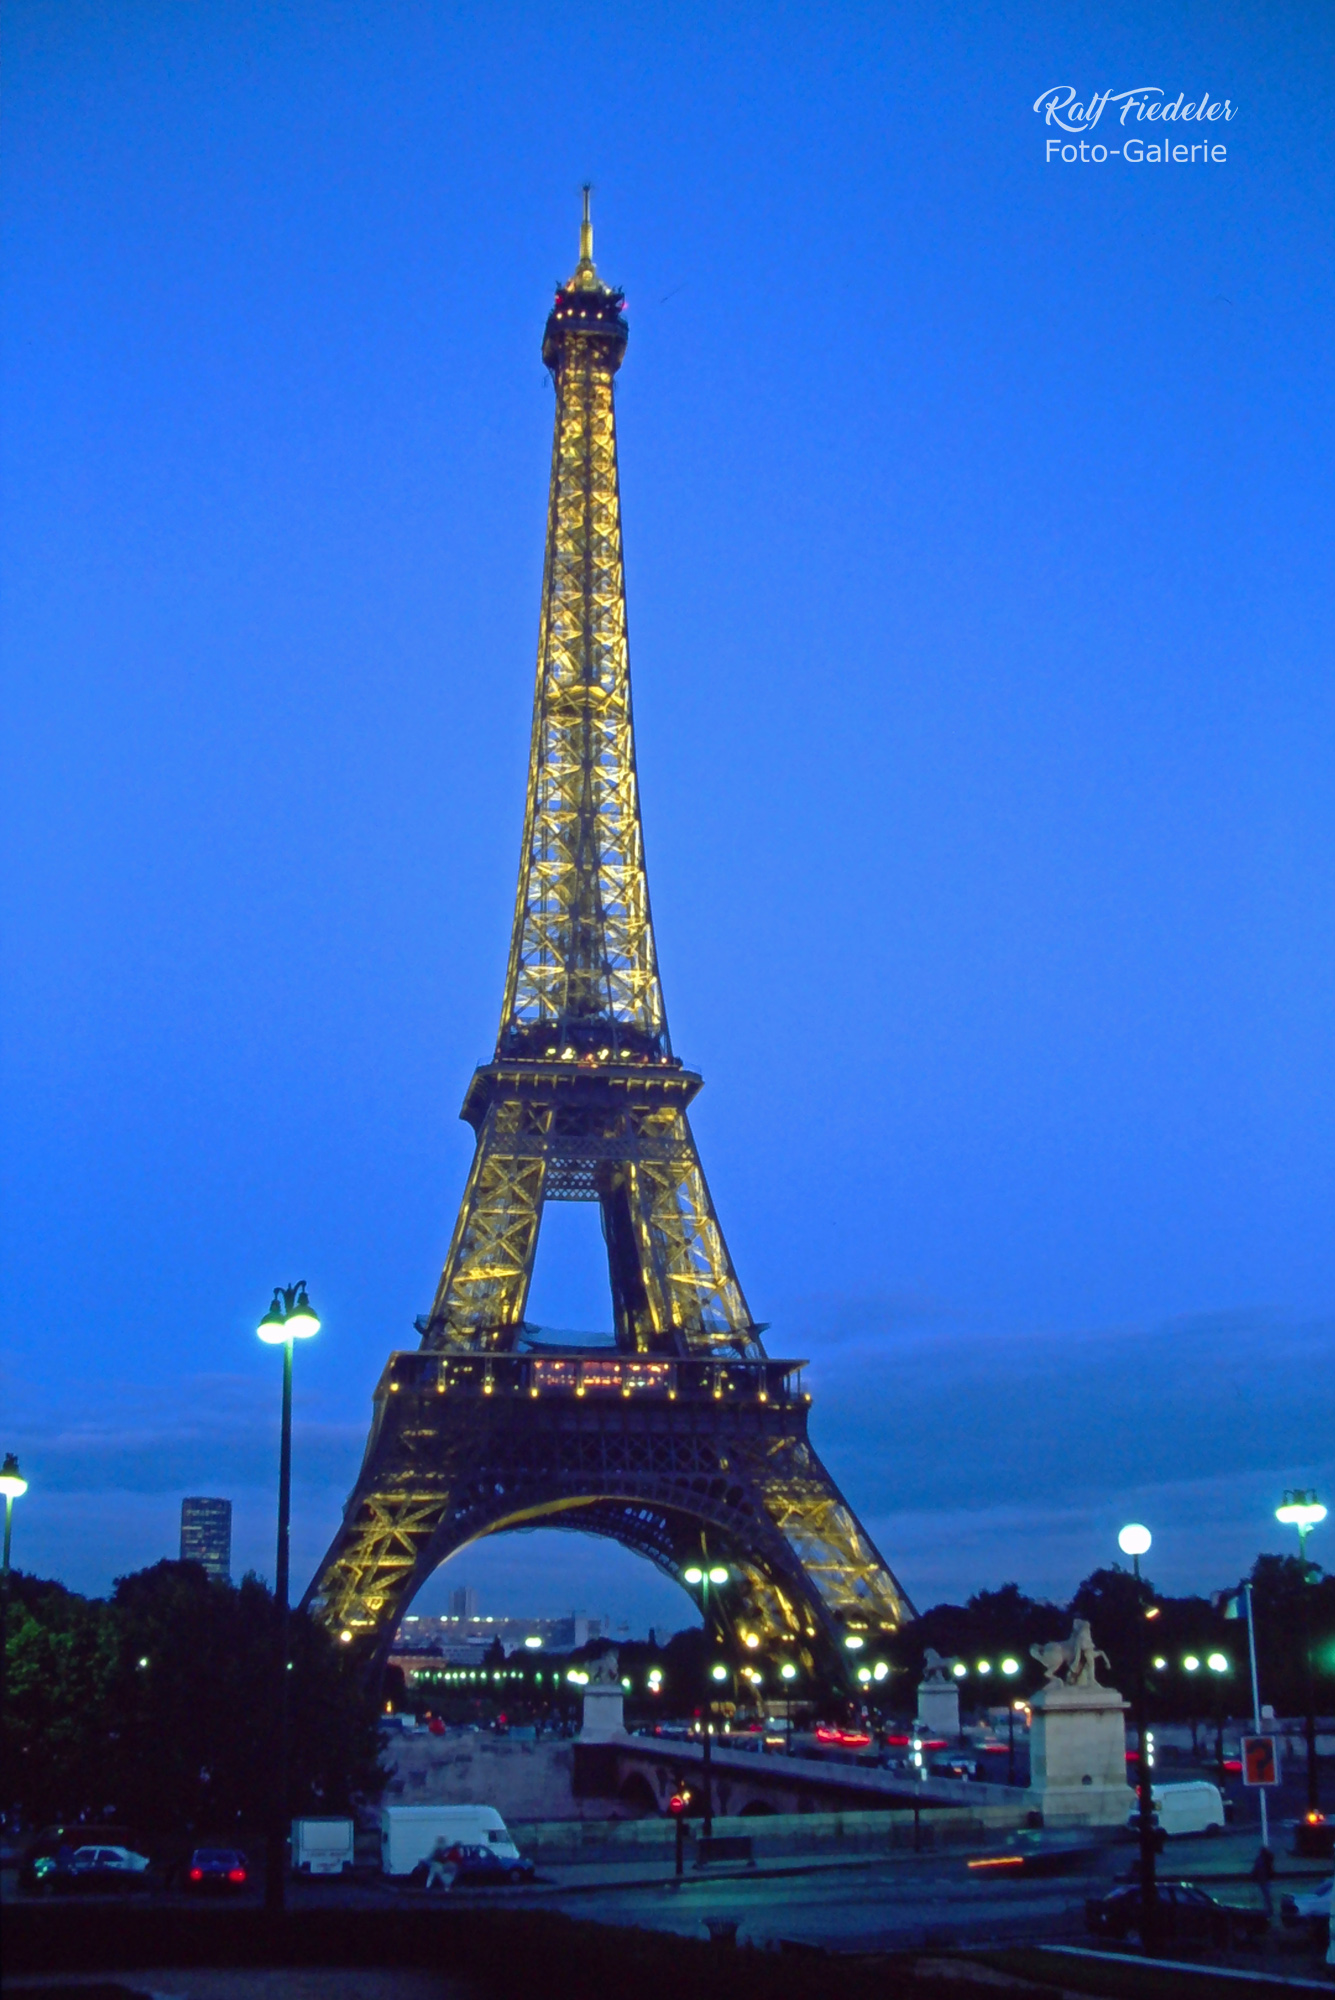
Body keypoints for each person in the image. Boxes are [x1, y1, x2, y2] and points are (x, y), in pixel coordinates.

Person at [1249, 1843, 1275, 1922]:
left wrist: (1253, 1876)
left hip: (1262, 1880)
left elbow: (1256, 1869)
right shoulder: (1267, 1859)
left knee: (1266, 1896)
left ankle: (1268, 1910)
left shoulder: (1260, 1860)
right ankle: (1269, 1909)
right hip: (1266, 1879)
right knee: (1266, 1896)